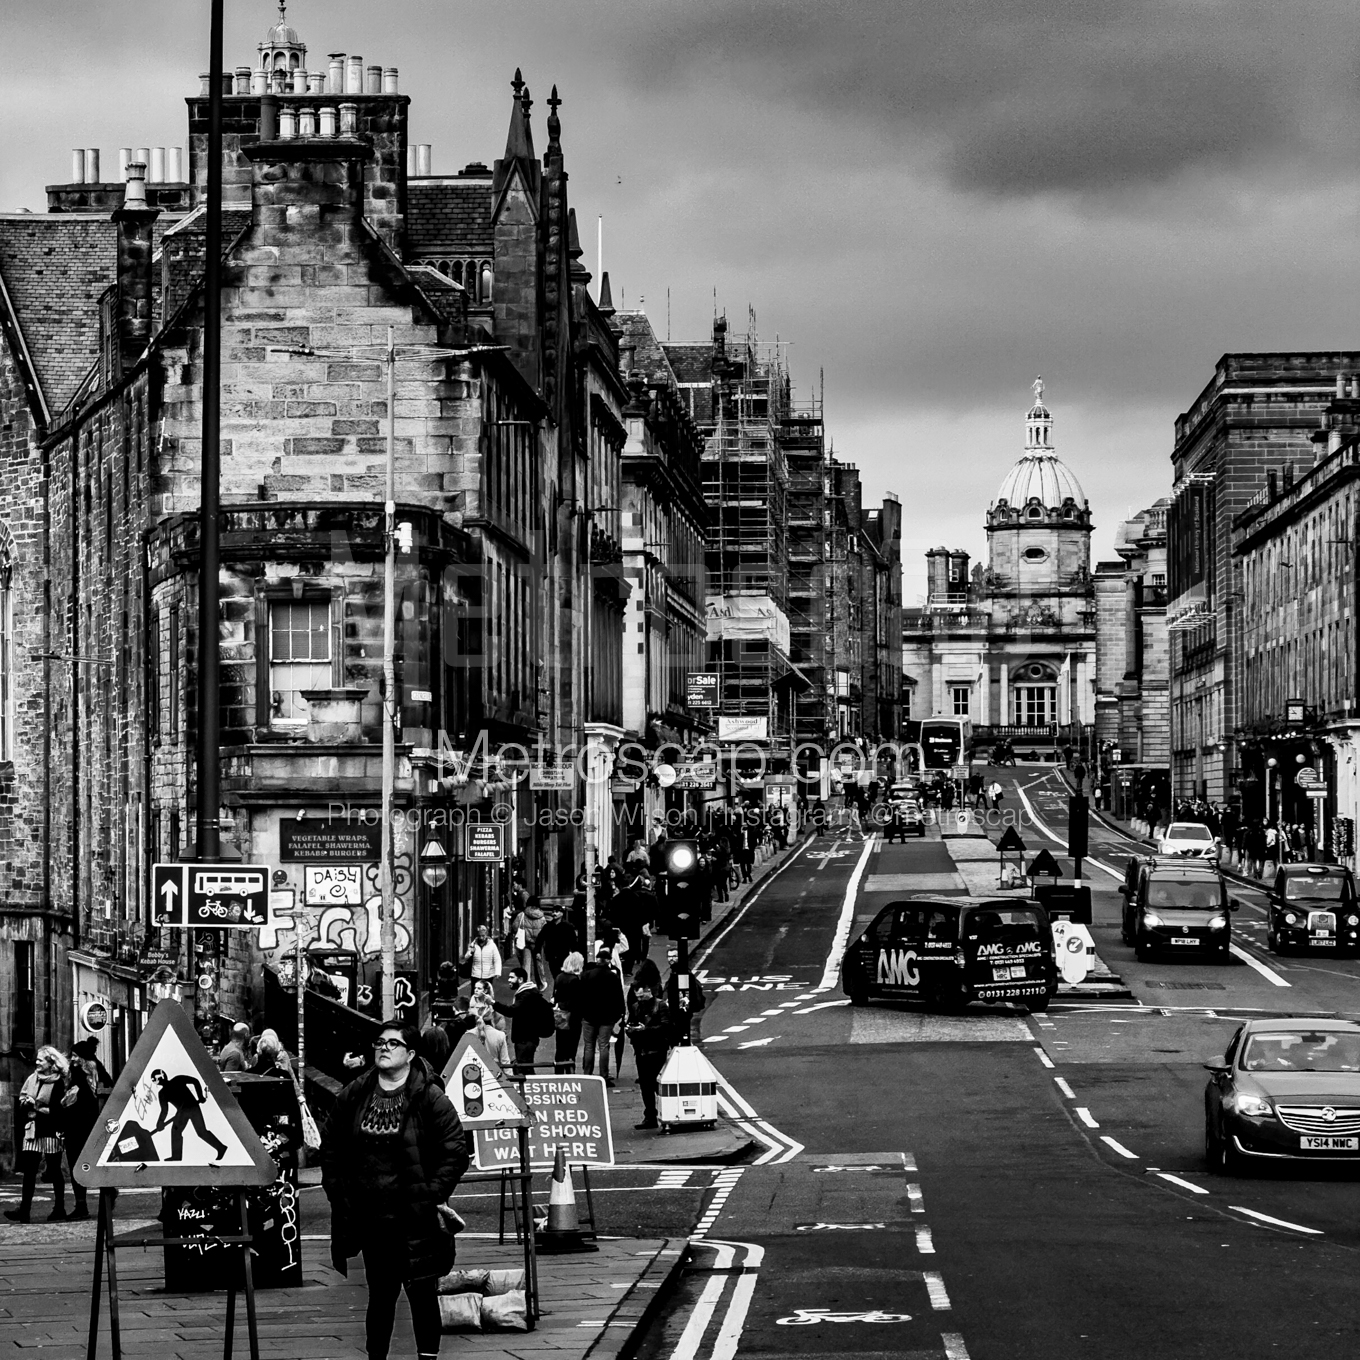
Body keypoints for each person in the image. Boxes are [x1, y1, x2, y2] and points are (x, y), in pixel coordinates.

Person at [322, 1021, 469, 1360]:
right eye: (379, 1042)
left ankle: (427, 1358)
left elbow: (455, 1149)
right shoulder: (356, 1093)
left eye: (393, 1043)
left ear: (411, 1053)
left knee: (421, 1295)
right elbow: (330, 1144)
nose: (384, 1048)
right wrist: (338, 1191)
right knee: (380, 1298)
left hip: (414, 1219)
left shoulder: (429, 1095)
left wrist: (430, 1195)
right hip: (372, 1220)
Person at [5, 1047, 71, 1223]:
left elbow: (57, 1111)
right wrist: (26, 1103)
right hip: (32, 1129)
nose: (37, 1062)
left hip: (50, 1130)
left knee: (54, 1170)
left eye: (41, 1060)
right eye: (37, 1059)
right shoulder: (32, 1078)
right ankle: (24, 1211)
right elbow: (22, 1100)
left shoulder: (58, 1082)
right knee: (29, 1171)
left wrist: (36, 1106)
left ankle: (59, 1208)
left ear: (51, 1062)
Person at [62, 1038, 111, 1221]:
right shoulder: (91, 1071)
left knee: (83, 1163)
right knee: (87, 1163)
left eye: (75, 1055)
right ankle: (90, 1200)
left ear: (82, 1057)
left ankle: (86, 1203)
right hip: (87, 1125)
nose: (72, 1059)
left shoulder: (84, 1072)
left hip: (82, 1125)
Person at [151, 1068, 229, 1162]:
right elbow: (164, 1110)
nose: (157, 1082)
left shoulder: (177, 1080)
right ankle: (176, 1156)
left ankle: (221, 1148)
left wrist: (200, 1096)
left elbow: (195, 1081)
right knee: (177, 1132)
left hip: (192, 1107)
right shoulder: (163, 1093)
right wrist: (160, 1122)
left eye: (156, 1079)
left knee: (200, 1132)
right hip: (183, 1111)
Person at [625, 978, 673, 1130]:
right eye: (637, 997)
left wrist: (644, 1030)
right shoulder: (635, 1007)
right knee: (645, 1086)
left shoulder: (661, 1005)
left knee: (657, 1085)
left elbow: (666, 1027)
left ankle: (667, 1114)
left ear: (648, 991)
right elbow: (630, 1024)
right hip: (641, 1051)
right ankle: (650, 1117)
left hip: (657, 1050)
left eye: (642, 996)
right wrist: (630, 1030)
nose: (640, 1000)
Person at [577, 945, 626, 1084]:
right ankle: (603, 1075)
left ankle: (587, 1074)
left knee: (589, 1045)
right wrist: (620, 1014)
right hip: (607, 1017)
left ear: (598, 959)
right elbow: (618, 996)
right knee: (603, 1045)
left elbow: (581, 996)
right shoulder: (612, 976)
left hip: (589, 1016)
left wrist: (582, 1013)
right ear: (609, 960)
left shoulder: (586, 975)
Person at [494, 967, 556, 1073]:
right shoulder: (527, 993)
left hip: (525, 1039)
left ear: (520, 979)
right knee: (526, 1067)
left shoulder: (525, 995)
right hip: (527, 1038)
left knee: (525, 1069)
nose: (509, 980)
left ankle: (529, 1088)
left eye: (512, 977)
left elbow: (511, 1011)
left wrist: (493, 1003)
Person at [552, 952, 585, 1073]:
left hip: (560, 1016)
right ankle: (570, 1072)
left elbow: (555, 997)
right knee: (571, 1049)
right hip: (573, 1019)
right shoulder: (575, 980)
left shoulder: (559, 977)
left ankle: (559, 1072)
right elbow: (578, 1002)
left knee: (560, 1047)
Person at [537, 906, 580, 992]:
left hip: (563, 955)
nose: (554, 913)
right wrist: (538, 951)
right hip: (551, 955)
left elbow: (573, 942)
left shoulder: (568, 926)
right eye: (553, 911)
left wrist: (575, 954)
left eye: (557, 911)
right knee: (555, 975)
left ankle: (556, 993)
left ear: (562, 913)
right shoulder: (548, 926)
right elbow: (540, 939)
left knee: (559, 975)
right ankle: (558, 993)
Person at [462, 924, 502, 989]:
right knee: (475, 993)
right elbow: (466, 957)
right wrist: (470, 952)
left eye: (483, 935)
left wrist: (497, 972)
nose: (481, 938)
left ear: (486, 935)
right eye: (479, 935)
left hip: (488, 975)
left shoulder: (492, 945)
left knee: (487, 993)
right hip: (475, 975)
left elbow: (497, 959)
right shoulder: (473, 944)